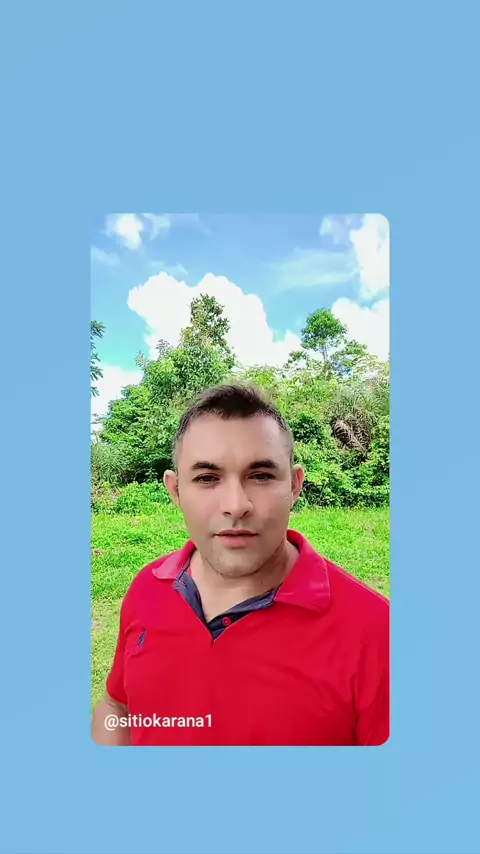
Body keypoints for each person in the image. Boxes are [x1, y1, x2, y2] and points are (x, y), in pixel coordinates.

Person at [92, 383, 389, 746]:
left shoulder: (379, 633)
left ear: (295, 486)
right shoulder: (148, 588)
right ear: (176, 490)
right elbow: (118, 707)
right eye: (207, 478)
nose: (236, 505)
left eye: (261, 476)